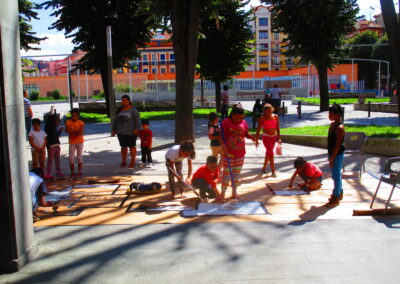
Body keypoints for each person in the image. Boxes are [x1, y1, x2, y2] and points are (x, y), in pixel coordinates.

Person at [220, 104, 256, 199]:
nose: (238, 120)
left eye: (241, 118)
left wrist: (251, 137)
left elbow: (246, 133)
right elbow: (221, 135)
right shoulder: (226, 122)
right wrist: (223, 145)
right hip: (228, 154)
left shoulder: (244, 122)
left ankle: (234, 192)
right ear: (232, 114)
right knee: (227, 175)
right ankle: (222, 193)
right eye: (236, 117)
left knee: (236, 175)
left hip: (240, 154)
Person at [112, 95, 141, 168]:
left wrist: (136, 129)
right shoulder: (120, 110)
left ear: (129, 101)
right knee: (123, 147)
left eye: (124, 101)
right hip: (121, 132)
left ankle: (132, 161)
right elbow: (116, 120)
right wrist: (114, 129)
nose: (123, 102)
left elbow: (137, 121)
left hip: (131, 132)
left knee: (132, 147)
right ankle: (124, 161)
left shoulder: (133, 110)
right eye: (122, 101)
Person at [326, 104, 345, 207]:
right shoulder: (332, 125)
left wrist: (332, 158)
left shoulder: (340, 128)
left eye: (331, 113)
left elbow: (337, 146)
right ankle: (340, 192)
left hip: (337, 155)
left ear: (337, 115)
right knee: (336, 174)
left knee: (336, 176)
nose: (329, 115)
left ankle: (336, 197)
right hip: (332, 154)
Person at [255, 104, 281, 177]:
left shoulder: (275, 116)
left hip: (273, 137)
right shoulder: (262, 118)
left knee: (268, 153)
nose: (268, 113)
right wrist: (256, 140)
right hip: (266, 137)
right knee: (271, 153)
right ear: (264, 111)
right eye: (267, 111)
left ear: (272, 110)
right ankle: (273, 172)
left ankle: (263, 169)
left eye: (270, 111)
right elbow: (258, 129)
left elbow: (277, 127)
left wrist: (279, 137)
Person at [65, 108, 85, 179]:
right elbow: (67, 130)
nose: (74, 117)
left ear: (78, 116)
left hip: (79, 141)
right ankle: (72, 172)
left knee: (79, 157)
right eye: (73, 115)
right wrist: (75, 132)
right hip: (72, 142)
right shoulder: (68, 122)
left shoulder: (81, 122)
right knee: (71, 157)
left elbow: (80, 132)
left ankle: (80, 171)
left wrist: (72, 132)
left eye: (76, 115)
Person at [44, 114, 64, 179]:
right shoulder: (48, 129)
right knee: (50, 160)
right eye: (57, 121)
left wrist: (60, 131)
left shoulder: (54, 128)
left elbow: (56, 136)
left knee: (57, 159)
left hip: (56, 144)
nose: (58, 122)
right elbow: (47, 138)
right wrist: (48, 146)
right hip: (51, 145)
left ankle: (59, 172)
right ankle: (48, 173)